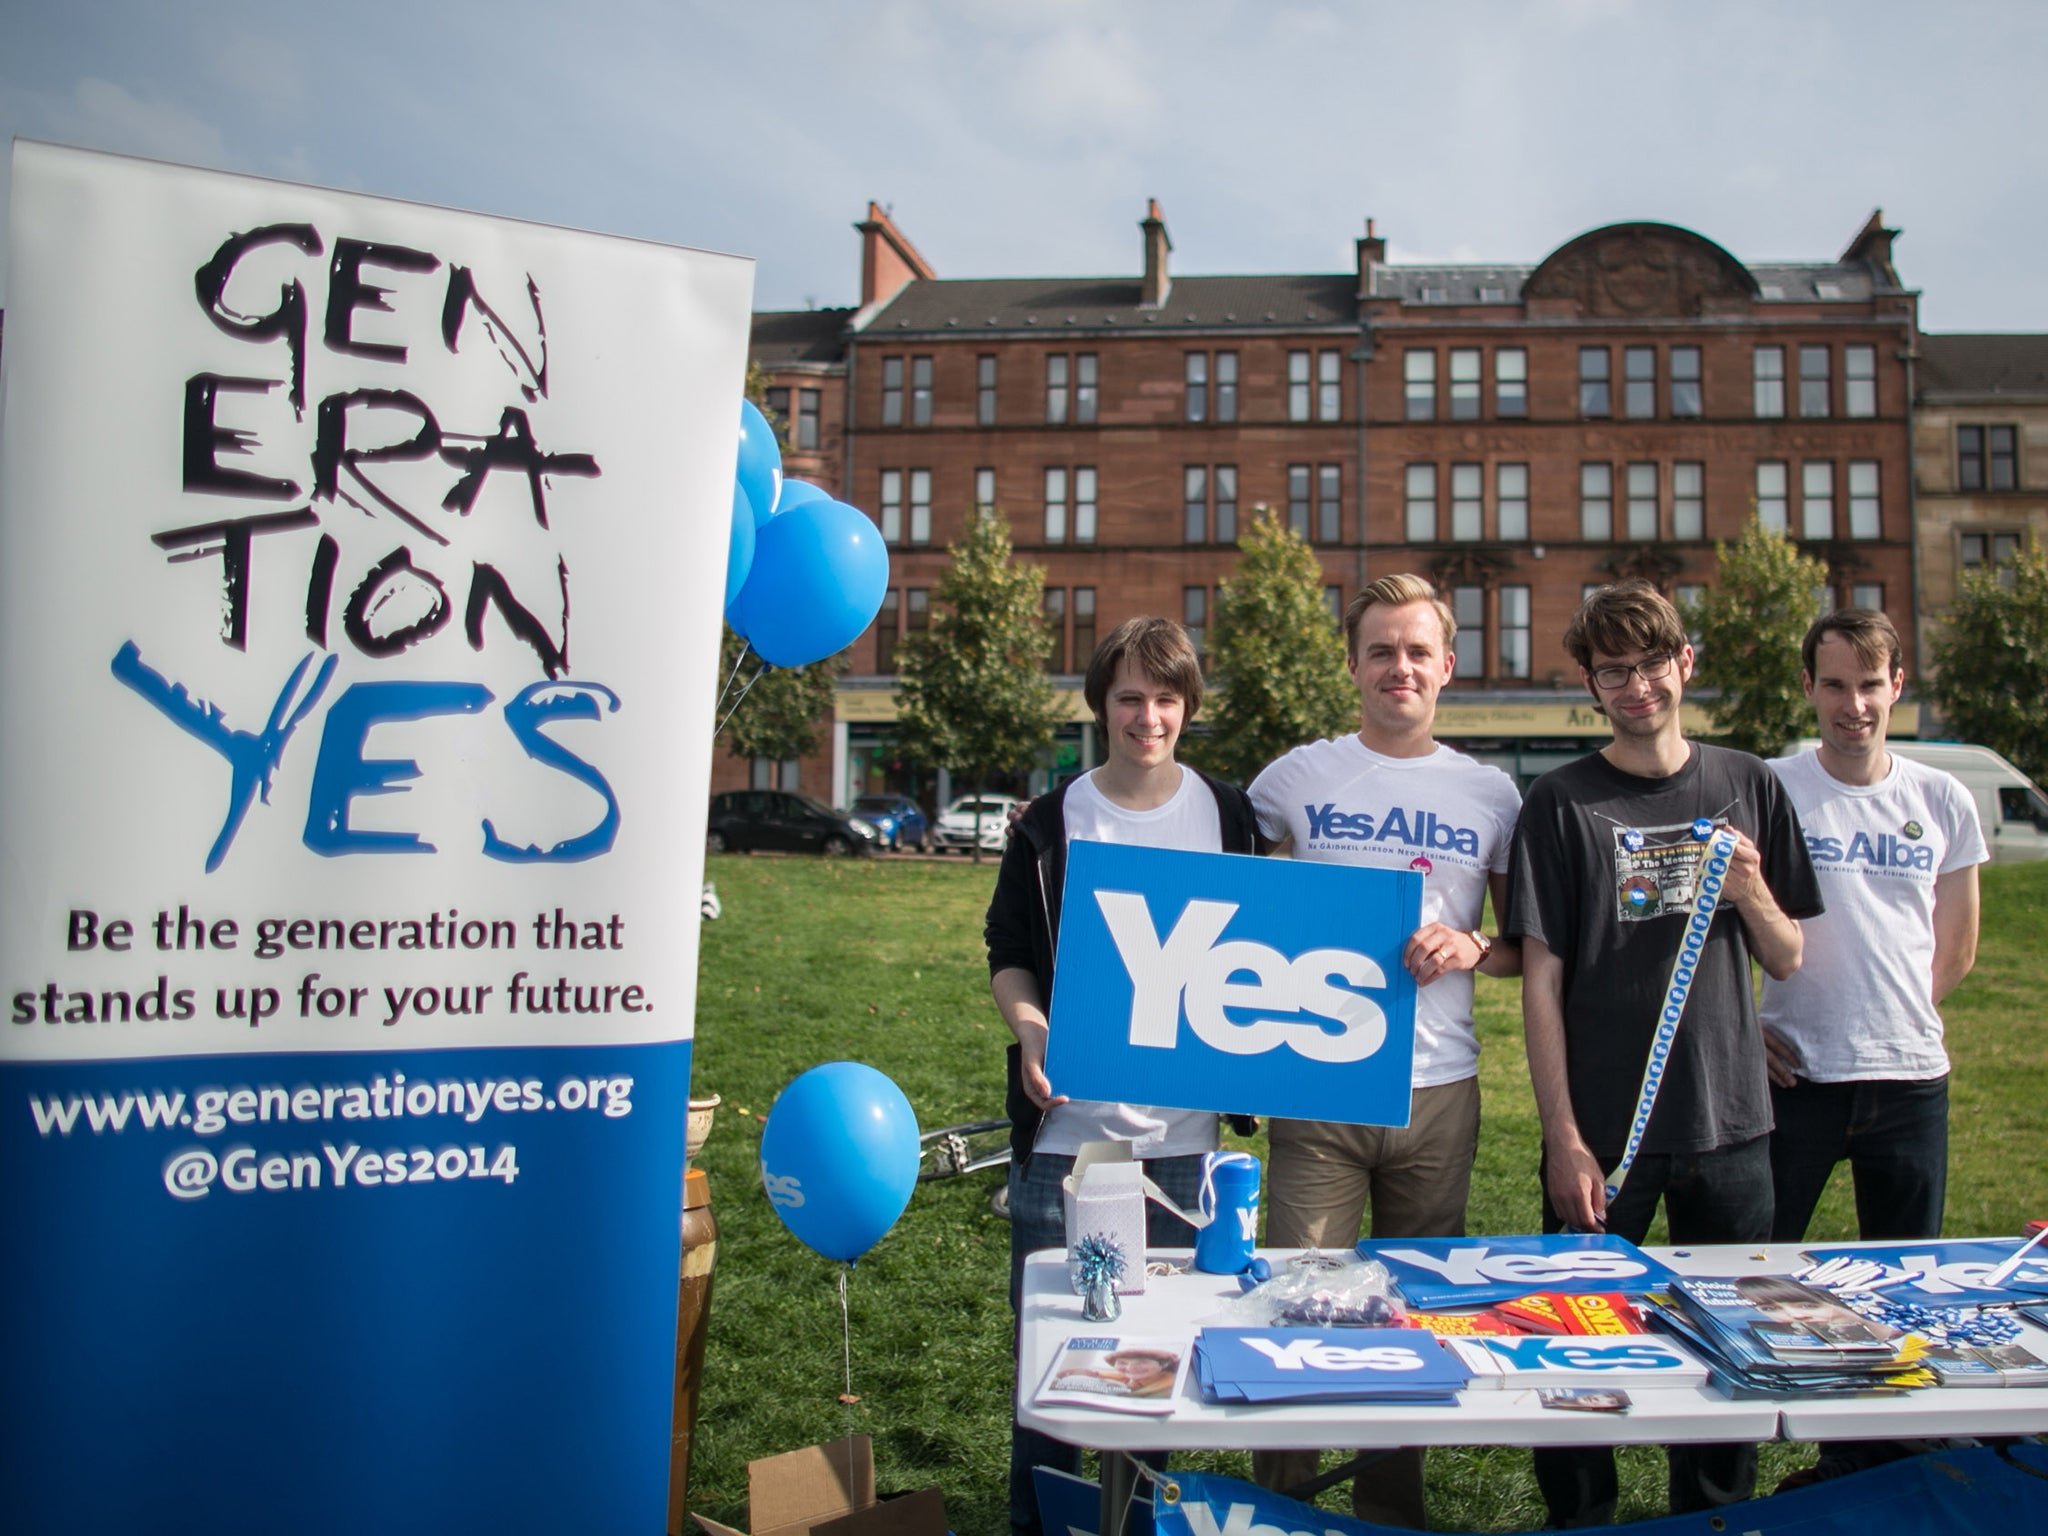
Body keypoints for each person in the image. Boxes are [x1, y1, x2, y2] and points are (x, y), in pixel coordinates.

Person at [1504, 580, 1822, 1526]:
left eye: (1652, 663)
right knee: (1571, 1350)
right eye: (1614, 671)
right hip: (1606, 1137)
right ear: (1590, 685)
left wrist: (1751, 890)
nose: (1637, 685)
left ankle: (1713, 1515)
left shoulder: (1748, 782)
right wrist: (1563, 1138)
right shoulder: (1560, 803)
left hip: (1731, 1129)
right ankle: (1582, 1516)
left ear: (1686, 663)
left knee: (1736, 1346)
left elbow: (1788, 954)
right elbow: (1540, 982)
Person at [1245, 573, 1523, 1529]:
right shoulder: (1296, 778)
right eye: (1380, 651)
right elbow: (1216, 884)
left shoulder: (1491, 792)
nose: (1398, 668)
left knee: (1410, 1321)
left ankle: (1389, 1515)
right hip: (1318, 1091)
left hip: (1441, 1095)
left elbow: (1528, 942)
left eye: (1417, 651)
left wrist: (1477, 945)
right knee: (1294, 1312)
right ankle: (1279, 1512)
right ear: (1353, 664)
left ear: (1447, 666)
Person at [984, 616, 1263, 1536]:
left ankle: (1140, 1525)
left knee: (1155, 1374)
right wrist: (1030, 1031)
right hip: (1071, 1141)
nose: (1150, 717)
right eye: (1131, 699)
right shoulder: (1051, 819)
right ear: (1102, 705)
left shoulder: (1227, 814)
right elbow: (1011, 951)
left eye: (1167, 699)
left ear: (1188, 707)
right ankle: (1039, 1525)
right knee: (1053, 1376)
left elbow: (1256, 953)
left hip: (1184, 1149)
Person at [1759, 608, 1985, 1491]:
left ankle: (1868, 1464)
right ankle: (1740, 1446)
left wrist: (1889, 1020)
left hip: (1910, 1086)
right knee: (1759, 1270)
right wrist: (1748, 1033)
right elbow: (1719, 923)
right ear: (1809, 690)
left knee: (1903, 1288)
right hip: (1798, 1080)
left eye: (1869, 684)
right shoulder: (1772, 788)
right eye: (1834, 684)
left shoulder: (1941, 799)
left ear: (1898, 686)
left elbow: (1955, 944)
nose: (1853, 704)